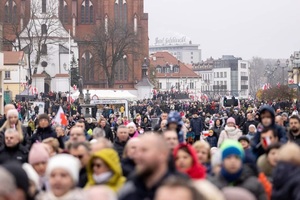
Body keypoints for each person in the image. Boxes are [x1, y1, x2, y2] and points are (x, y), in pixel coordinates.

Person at [118, 134, 186, 200]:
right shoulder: (131, 186)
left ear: (163, 154)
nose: (137, 155)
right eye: (137, 150)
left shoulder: (182, 187)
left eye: (144, 150)